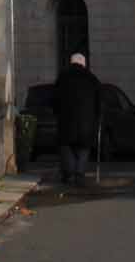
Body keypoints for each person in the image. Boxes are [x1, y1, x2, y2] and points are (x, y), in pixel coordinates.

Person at [53, 51, 102, 186]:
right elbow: (99, 101)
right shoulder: (92, 79)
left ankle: (69, 172)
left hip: (66, 120)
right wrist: (98, 117)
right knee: (83, 147)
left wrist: (56, 112)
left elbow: (54, 98)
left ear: (71, 62)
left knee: (66, 145)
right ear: (84, 64)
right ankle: (79, 173)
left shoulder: (62, 78)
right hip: (86, 121)